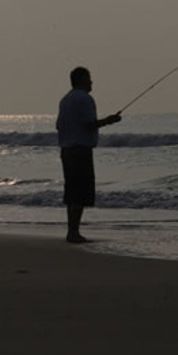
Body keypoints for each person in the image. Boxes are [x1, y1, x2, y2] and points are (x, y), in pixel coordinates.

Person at [56, 67, 121, 243]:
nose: (92, 82)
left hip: (67, 150)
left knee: (72, 192)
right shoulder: (85, 99)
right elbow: (89, 124)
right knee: (80, 192)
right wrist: (109, 120)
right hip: (80, 151)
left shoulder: (65, 99)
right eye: (89, 79)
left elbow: (59, 125)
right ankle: (74, 232)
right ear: (81, 80)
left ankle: (72, 231)